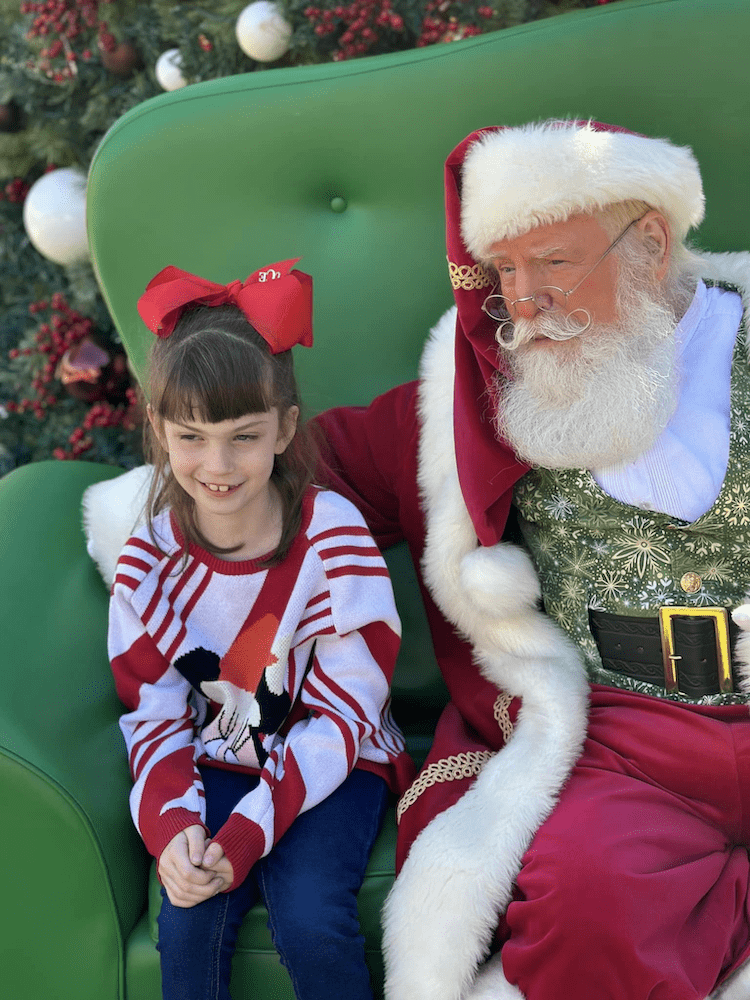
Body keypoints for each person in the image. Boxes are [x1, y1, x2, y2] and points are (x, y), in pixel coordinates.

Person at [312, 120, 750, 1000]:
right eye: (503, 272)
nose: (522, 301)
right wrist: (189, 486)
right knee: (583, 903)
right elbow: (311, 471)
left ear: (652, 244)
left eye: (551, 263)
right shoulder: (478, 395)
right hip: (632, 743)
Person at [107, 259, 415, 1000]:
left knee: (311, 921)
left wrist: (248, 833)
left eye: (243, 436)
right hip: (216, 762)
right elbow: (150, 715)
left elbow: (348, 710)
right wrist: (173, 829)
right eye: (191, 437)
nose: (217, 464)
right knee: (185, 917)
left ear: (284, 427)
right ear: (159, 430)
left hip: (335, 763)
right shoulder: (147, 561)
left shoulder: (333, 539)